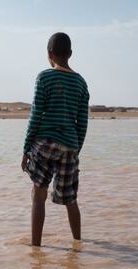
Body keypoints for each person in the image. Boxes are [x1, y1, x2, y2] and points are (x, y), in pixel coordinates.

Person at [21, 32, 89, 246]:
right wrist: (75, 149)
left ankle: (36, 248)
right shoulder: (81, 83)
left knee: (38, 196)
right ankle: (77, 243)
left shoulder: (44, 77)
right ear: (70, 54)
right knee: (71, 199)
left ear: (49, 54)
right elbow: (83, 122)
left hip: (45, 143)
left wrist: (25, 149)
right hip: (70, 146)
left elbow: (35, 115)